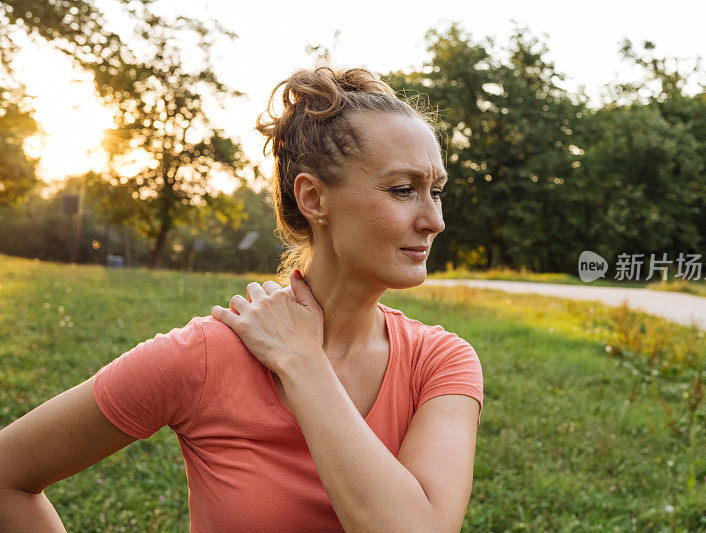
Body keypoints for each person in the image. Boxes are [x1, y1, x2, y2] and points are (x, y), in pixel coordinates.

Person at [0, 66, 484, 532]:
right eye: (403, 190)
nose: (434, 220)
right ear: (314, 199)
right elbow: (8, 478)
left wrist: (301, 362)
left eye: (435, 191)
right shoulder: (206, 356)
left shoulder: (441, 363)